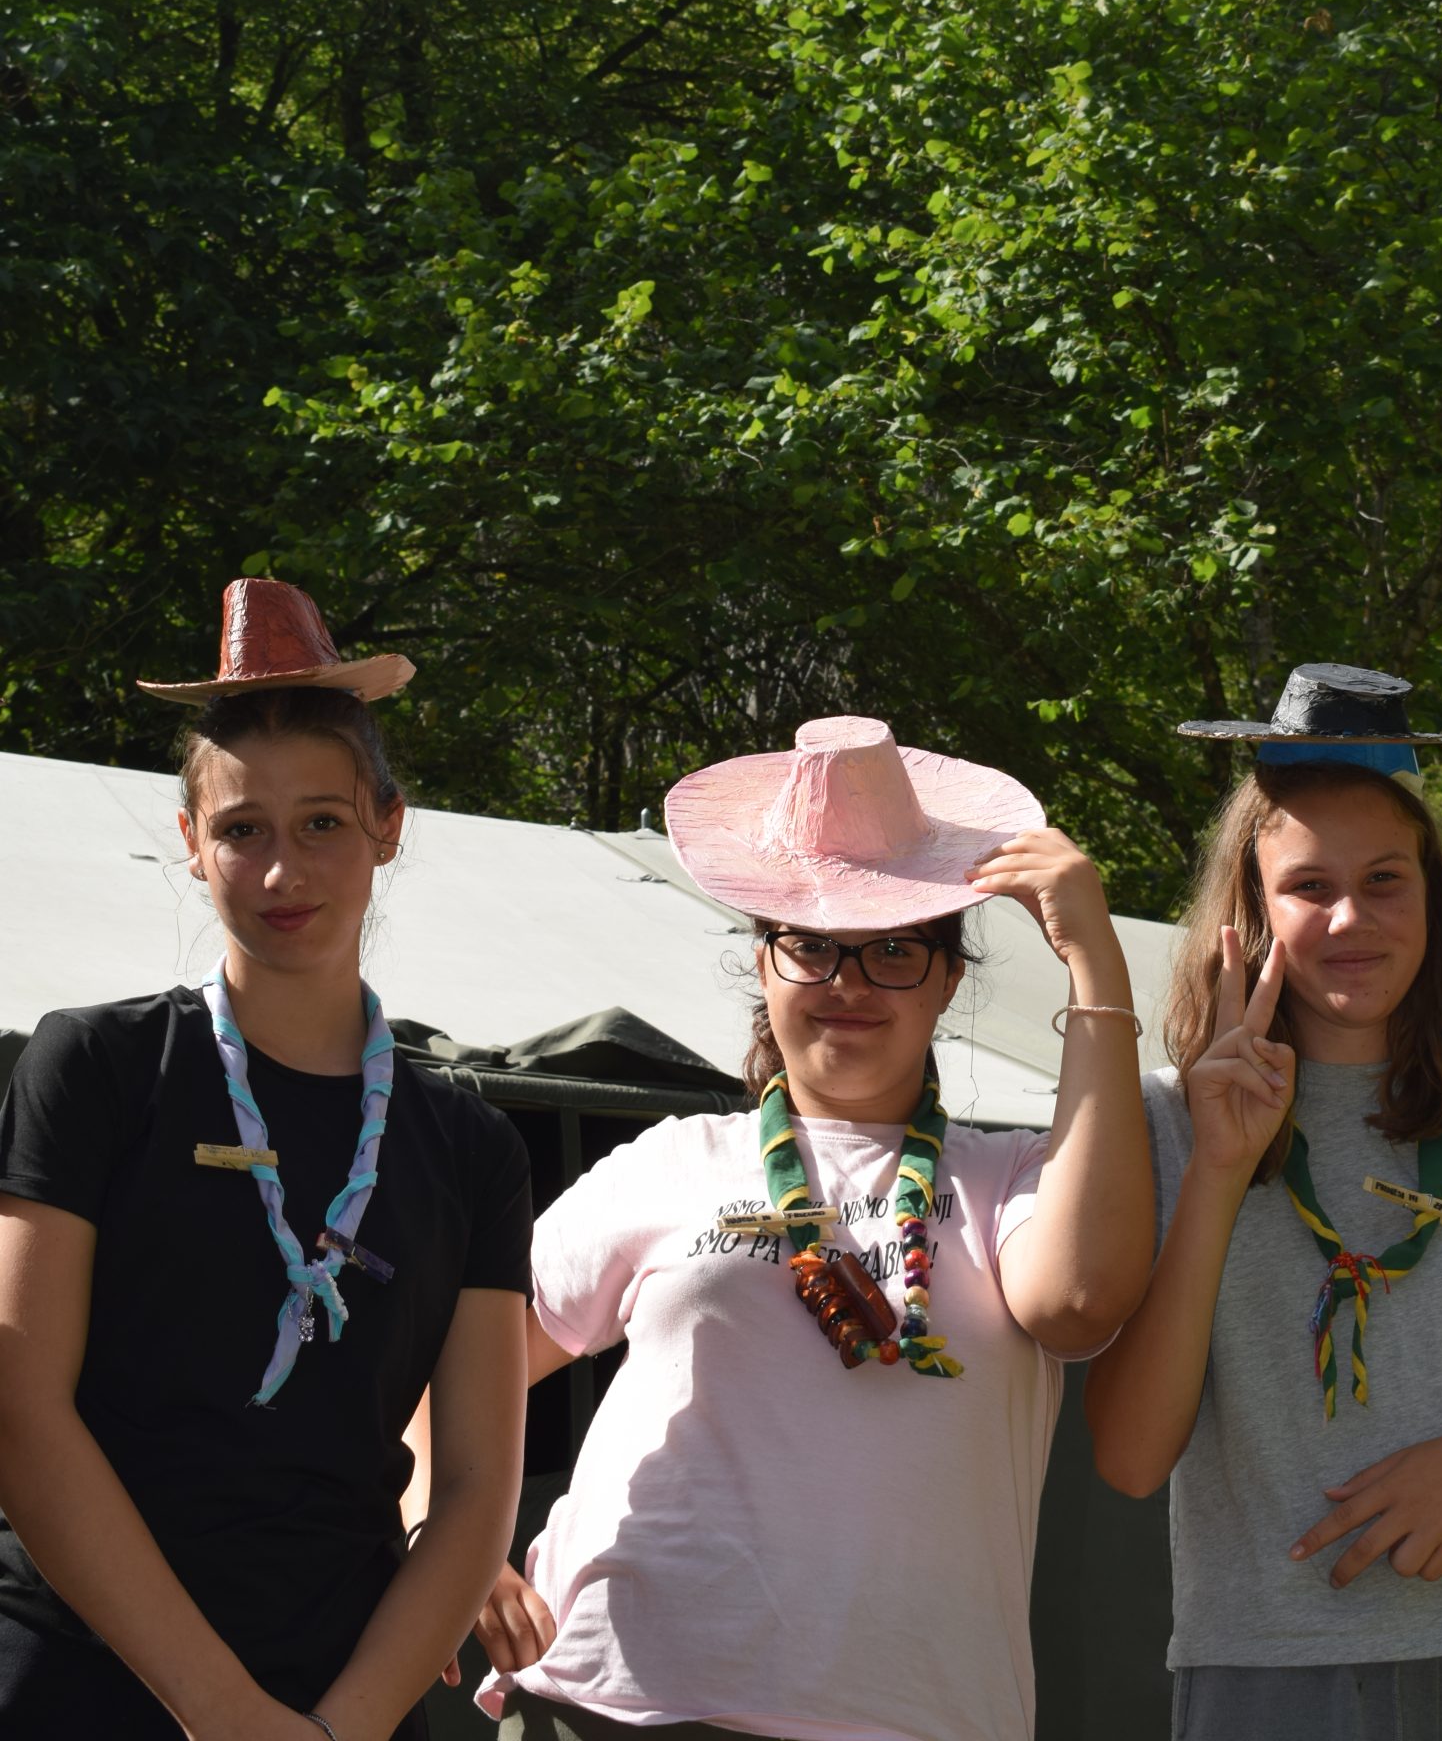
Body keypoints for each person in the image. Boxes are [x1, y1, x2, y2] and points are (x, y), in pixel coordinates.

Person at [457, 712, 1151, 1741]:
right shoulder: (671, 1158)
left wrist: (1095, 960)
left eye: (893, 952)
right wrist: (451, 1541)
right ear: (764, 962)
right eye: (812, 947)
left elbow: (1080, 1302)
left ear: (949, 977)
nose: (848, 985)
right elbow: (456, 1370)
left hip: (909, 1719)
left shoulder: (1014, 1177)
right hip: (612, 1698)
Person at [1085, 662, 1442, 1741]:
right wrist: (1218, 1170)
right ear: (1249, 913)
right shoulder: (1162, 1122)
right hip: (1276, 1667)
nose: (1351, 917)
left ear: (1432, 897)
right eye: (1308, 886)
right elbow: (1126, 1459)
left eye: (1385, 879)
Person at [0, 578, 534, 1741]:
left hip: (347, 1700)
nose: (283, 872)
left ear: (389, 826)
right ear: (191, 844)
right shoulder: (94, 1067)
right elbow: (22, 1413)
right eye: (243, 830)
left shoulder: (472, 1147)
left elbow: (476, 1488)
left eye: (322, 823)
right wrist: (223, 1711)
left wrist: (342, 1726)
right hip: (84, 1683)